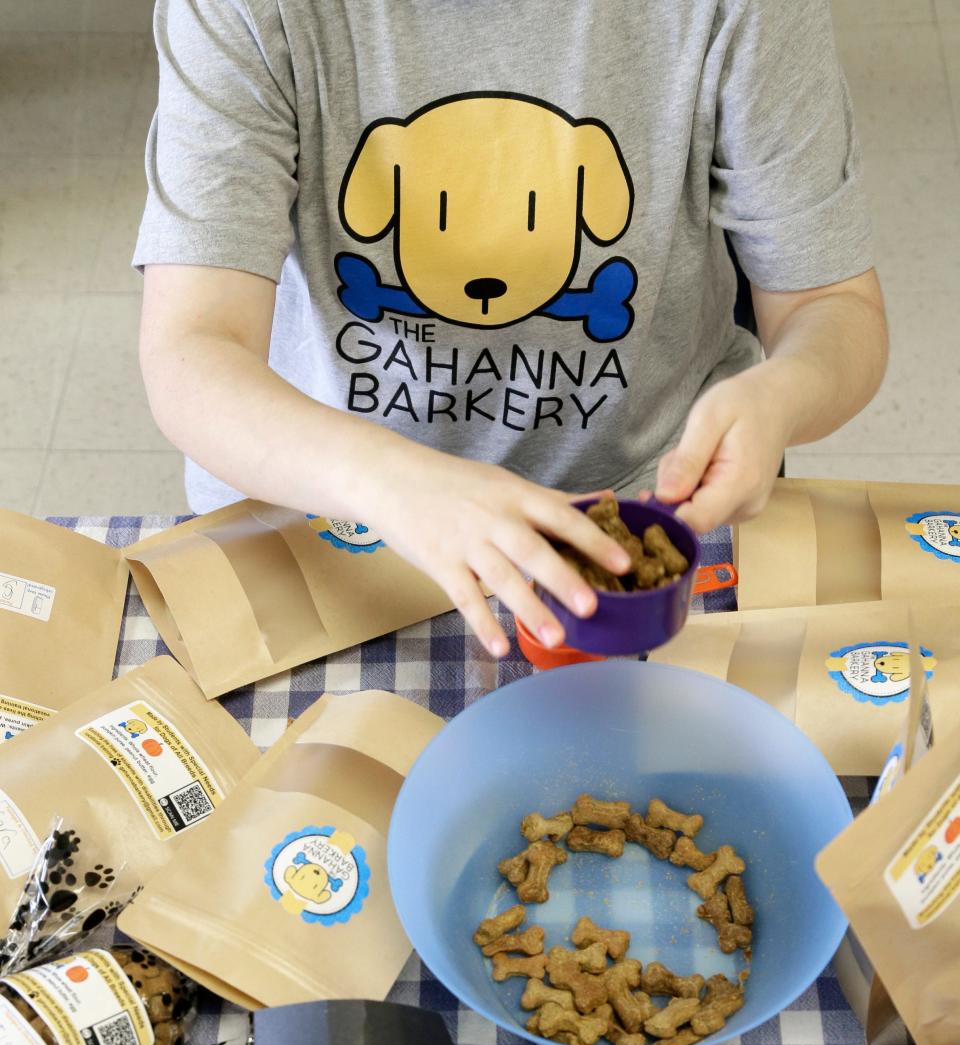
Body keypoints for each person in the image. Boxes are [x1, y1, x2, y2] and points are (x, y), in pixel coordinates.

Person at [135, 0, 888, 658]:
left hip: (641, 522)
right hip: (330, 515)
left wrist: (780, 396)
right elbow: (193, 350)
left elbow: (836, 308)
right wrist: (391, 480)